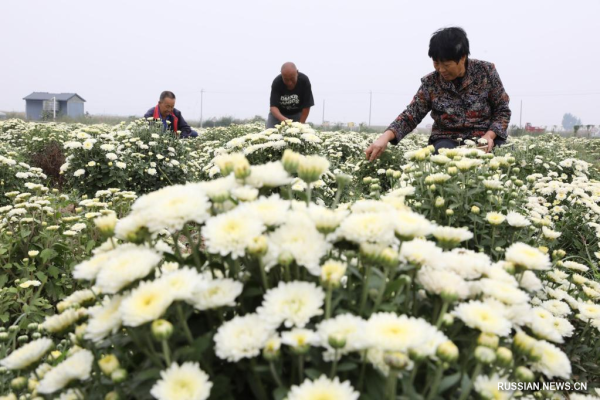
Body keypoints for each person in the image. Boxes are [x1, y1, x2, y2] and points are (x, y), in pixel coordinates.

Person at [366, 27, 511, 160]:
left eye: (446, 65)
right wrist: (384, 137)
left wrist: (488, 137)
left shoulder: (486, 72)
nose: (441, 70)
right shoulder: (431, 83)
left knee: (507, 155)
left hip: (484, 136)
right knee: (443, 154)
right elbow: (410, 116)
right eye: (436, 63)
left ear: (463, 57)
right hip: (447, 139)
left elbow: (502, 110)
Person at [266, 62, 315, 128]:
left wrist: (300, 125)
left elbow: (306, 106)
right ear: (281, 74)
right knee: (270, 133)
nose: (289, 83)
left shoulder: (304, 81)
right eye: (286, 79)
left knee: (299, 134)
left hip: (297, 113)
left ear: (297, 72)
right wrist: (284, 120)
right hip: (279, 114)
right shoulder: (277, 82)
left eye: (292, 79)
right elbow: (273, 107)